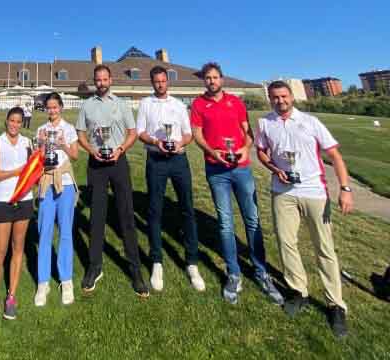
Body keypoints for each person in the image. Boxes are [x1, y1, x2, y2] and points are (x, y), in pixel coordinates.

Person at [255, 80, 353, 337]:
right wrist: (275, 169)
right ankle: (298, 291)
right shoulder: (265, 123)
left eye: (284, 96)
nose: (280, 101)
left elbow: (335, 156)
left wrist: (345, 189)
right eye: (275, 97)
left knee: (324, 248)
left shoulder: (310, 121)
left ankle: (335, 304)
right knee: (287, 244)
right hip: (283, 194)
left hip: (314, 193)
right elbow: (262, 153)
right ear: (270, 98)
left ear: (291, 97)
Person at [190, 62, 283, 305]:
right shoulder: (199, 104)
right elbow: (197, 134)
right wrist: (212, 151)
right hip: (216, 170)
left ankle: (261, 271)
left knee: (252, 219)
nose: (211, 81)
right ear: (204, 81)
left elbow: (248, 133)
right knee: (225, 222)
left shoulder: (236, 102)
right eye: (208, 78)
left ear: (222, 79)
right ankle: (234, 272)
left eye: (215, 77)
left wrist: (244, 149)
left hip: (241, 169)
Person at [76, 64, 149, 297]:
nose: (101, 83)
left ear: (111, 80)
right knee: (97, 216)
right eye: (98, 80)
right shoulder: (86, 105)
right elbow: (80, 134)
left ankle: (135, 269)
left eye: (105, 79)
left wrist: (120, 149)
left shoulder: (121, 104)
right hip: (96, 164)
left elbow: (132, 132)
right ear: (94, 81)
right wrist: (90, 150)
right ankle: (95, 266)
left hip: (118, 162)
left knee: (126, 214)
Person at [136, 66, 204, 292]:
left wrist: (180, 144)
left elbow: (188, 134)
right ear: (152, 83)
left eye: (163, 81)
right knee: (155, 210)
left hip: (178, 161)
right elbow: (140, 133)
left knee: (187, 208)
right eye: (156, 81)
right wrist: (156, 142)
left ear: (168, 82)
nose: (160, 85)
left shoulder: (177, 105)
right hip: (155, 160)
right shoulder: (146, 104)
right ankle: (156, 261)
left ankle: (192, 262)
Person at [0, 107, 34, 328]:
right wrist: (17, 171)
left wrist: (32, 172)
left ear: (22, 124)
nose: (15, 125)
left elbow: (33, 170)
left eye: (18, 121)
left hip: (25, 200)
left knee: (18, 248)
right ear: (6, 122)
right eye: (12, 121)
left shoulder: (27, 143)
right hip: (4, 200)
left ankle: (11, 296)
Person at [33, 92, 79, 306]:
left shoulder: (68, 128)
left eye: (55, 107)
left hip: (65, 182)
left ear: (61, 107)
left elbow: (76, 155)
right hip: (46, 182)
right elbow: (38, 159)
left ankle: (66, 279)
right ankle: (43, 282)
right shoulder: (41, 130)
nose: (52, 111)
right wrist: (41, 145)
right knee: (44, 231)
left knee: (66, 231)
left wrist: (62, 145)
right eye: (48, 107)